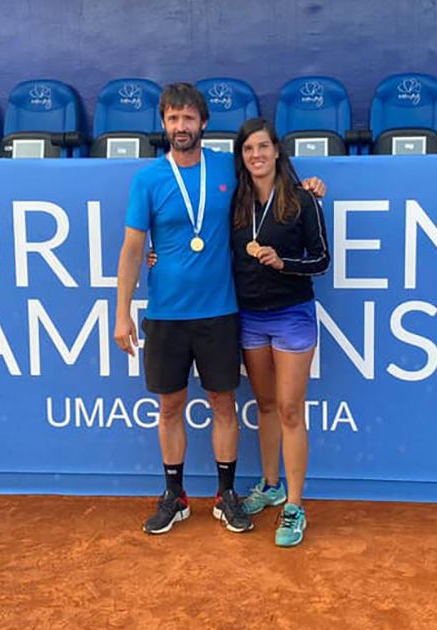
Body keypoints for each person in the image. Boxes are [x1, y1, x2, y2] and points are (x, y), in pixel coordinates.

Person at [114, 84, 325, 536]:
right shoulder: (147, 180)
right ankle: (175, 496)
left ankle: (226, 495)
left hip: (220, 312)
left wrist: (306, 185)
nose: (181, 127)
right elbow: (134, 248)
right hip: (166, 314)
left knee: (223, 405)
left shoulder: (227, 170)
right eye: (173, 119)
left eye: (189, 118)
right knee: (170, 407)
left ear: (203, 123)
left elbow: (270, 179)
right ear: (164, 123)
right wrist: (121, 311)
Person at [230, 118, 329, 547]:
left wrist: (284, 262)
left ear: (277, 152)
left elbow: (322, 260)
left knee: (290, 410)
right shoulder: (234, 202)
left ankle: (294, 506)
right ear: (243, 157)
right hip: (250, 317)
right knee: (265, 405)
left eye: (264, 147)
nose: (257, 155)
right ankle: (270, 485)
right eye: (249, 149)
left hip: (292, 316)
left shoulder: (303, 201)